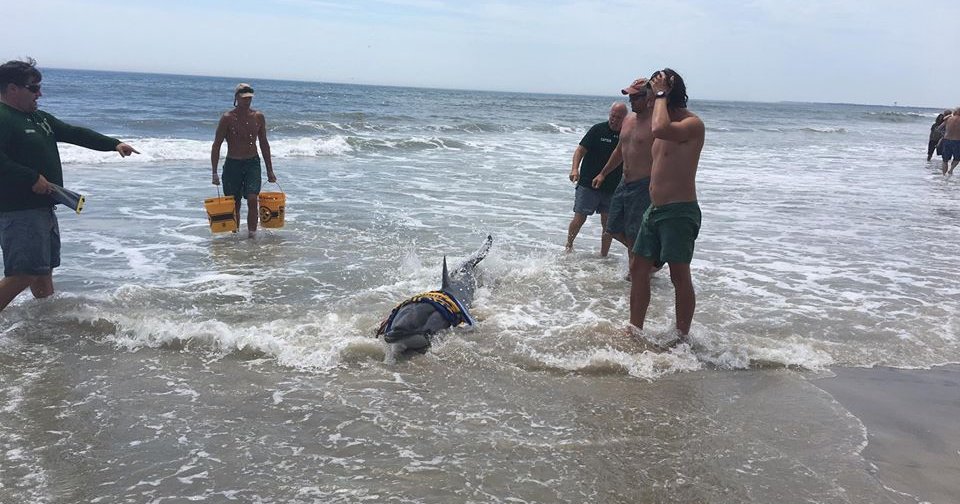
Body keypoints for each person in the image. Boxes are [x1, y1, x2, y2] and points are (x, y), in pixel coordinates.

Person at [0, 58, 139, 313]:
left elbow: (73, 132)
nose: (39, 93)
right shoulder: (4, 117)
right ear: (12, 89)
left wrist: (113, 144)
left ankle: (45, 325)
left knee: (43, 272)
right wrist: (30, 177)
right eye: (34, 88)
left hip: (43, 208)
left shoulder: (39, 118)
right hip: (19, 211)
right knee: (24, 273)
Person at [629, 68, 705, 341]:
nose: (648, 99)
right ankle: (634, 329)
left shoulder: (691, 124)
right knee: (638, 268)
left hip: (679, 210)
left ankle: (681, 337)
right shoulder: (659, 122)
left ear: (667, 93)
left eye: (652, 94)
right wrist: (641, 92)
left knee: (678, 275)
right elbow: (644, 129)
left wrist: (660, 92)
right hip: (656, 209)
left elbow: (661, 126)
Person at [592, 78, 657, 274]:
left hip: (643, 186)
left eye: (636, 97)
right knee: (612, 228)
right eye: (630, 96)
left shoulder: (657, 124)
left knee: (634, 230)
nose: (631, 100)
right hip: (624, 182)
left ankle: (635, 273)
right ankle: (646, 260)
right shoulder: (628, 120)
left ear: (649, 98)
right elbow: (620, 150)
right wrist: (603, 173)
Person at [211, 83, 277, 238]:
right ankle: (235, 237)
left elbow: (264, 143)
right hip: (232, 164)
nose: (247, 101)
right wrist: (214, 172)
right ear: (236, 98)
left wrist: (270, 169)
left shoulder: (258, 117)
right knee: (235, 203)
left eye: (249, 98)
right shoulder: (227, 118)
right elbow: (216, 145)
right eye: (244, 98)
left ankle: (252, 237)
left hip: (252, 163)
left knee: (253, 199)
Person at [565, 102, 627, 255]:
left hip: (612, 187)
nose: (615, 120)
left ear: (625, 118)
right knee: (580, 218)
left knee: (608, 224)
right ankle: (568, 246)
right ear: (609, 114)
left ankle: (603, 255)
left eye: (619, 117)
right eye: (613, 116)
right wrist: (574, 168)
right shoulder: (597, 130)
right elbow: (580, 150)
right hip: (588, 183)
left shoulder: (626, 134)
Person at [942, 108, 960, 175]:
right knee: (957, 159)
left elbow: (939, 128)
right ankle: (951, 170)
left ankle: (943, 175)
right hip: (957, 141)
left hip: (947, 140)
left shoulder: (949, 119)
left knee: (945, 160)